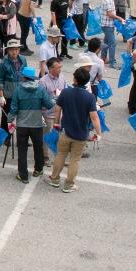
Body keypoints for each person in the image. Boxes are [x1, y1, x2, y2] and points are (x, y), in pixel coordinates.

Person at [48, 65, 101, 193]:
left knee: (60, 155)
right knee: (75, 160)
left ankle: (54, 179)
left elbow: (58, 108)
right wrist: (98, 133)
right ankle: (69, 184)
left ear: (75, 79)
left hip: (65, 131)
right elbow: (94, 118)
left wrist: (56, 123)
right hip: (81, 134)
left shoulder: (66, 92)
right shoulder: (90, 97)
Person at [8, 65, 51, 183]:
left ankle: (23, 175)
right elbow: (49, 104)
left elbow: (14, 108)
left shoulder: (18, 89)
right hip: (36, 124)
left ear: (24, 77)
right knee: (38, 148)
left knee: (22, 150)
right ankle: (38, 169)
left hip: (22, 125)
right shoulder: (41, 89)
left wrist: (9, 120)